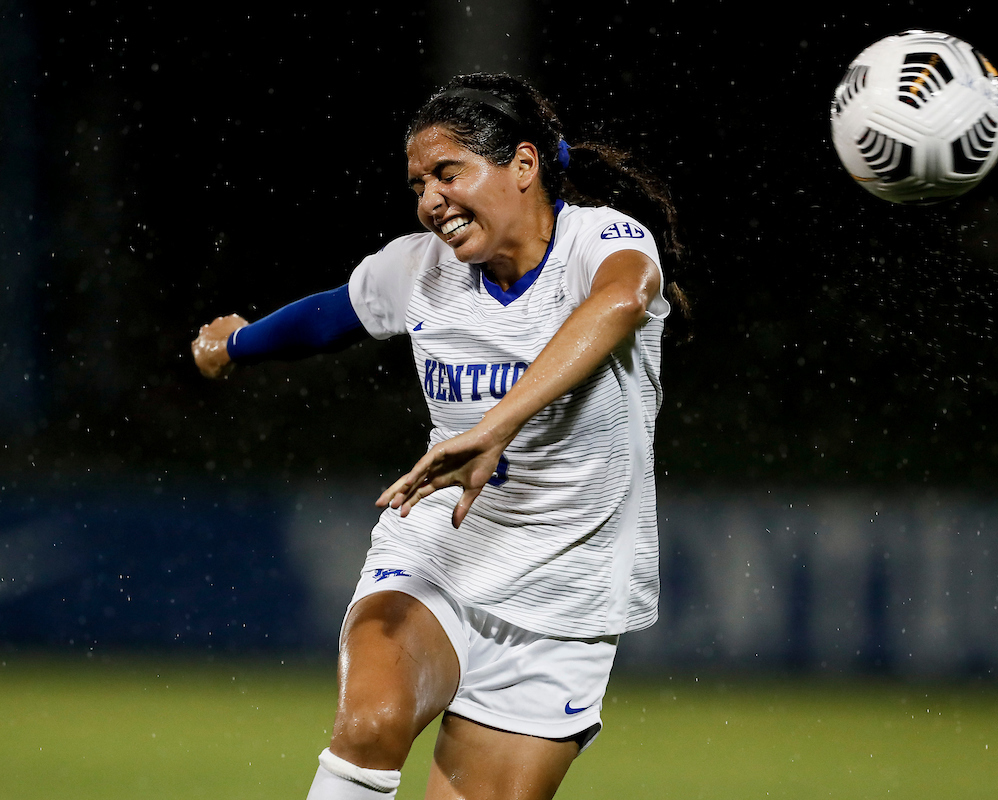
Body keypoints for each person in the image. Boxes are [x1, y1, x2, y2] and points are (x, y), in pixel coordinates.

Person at [190, 72, 685, 800]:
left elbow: (622, 297)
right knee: (373, 719)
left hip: (567, 588)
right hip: (442, 547)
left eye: (448, 173)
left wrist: (496, 426)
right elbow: (330, 317)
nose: (430, 201)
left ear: (523, 165)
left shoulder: (599, 241)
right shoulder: (419, 271)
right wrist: (237, 344)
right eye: (419, 183)